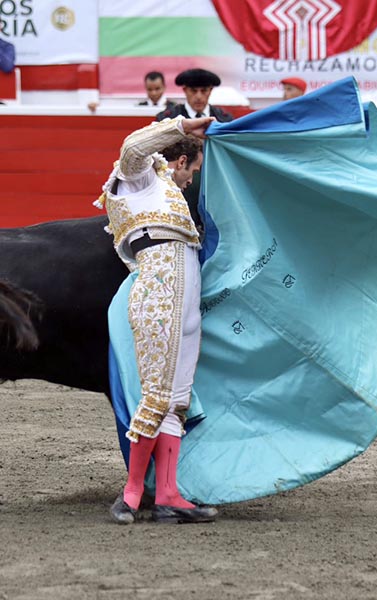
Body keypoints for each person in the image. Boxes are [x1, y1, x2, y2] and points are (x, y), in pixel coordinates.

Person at [98, 115, 218, 524]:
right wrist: (183, 127)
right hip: (158, 290)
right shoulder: (137, 177)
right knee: (156, 396)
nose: (191, 180)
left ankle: (168, 494)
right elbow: (134, 147)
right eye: (192, 170)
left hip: (184, 296)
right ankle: (131, 495)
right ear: (177, 160)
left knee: (176, 401)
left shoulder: (162, 190)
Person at [156, 68, 233, 122]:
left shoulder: (224, 120)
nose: (198, 97)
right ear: (185, 90)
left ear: (210, 91)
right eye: (193, 91)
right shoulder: (167, 120)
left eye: (204, 91)